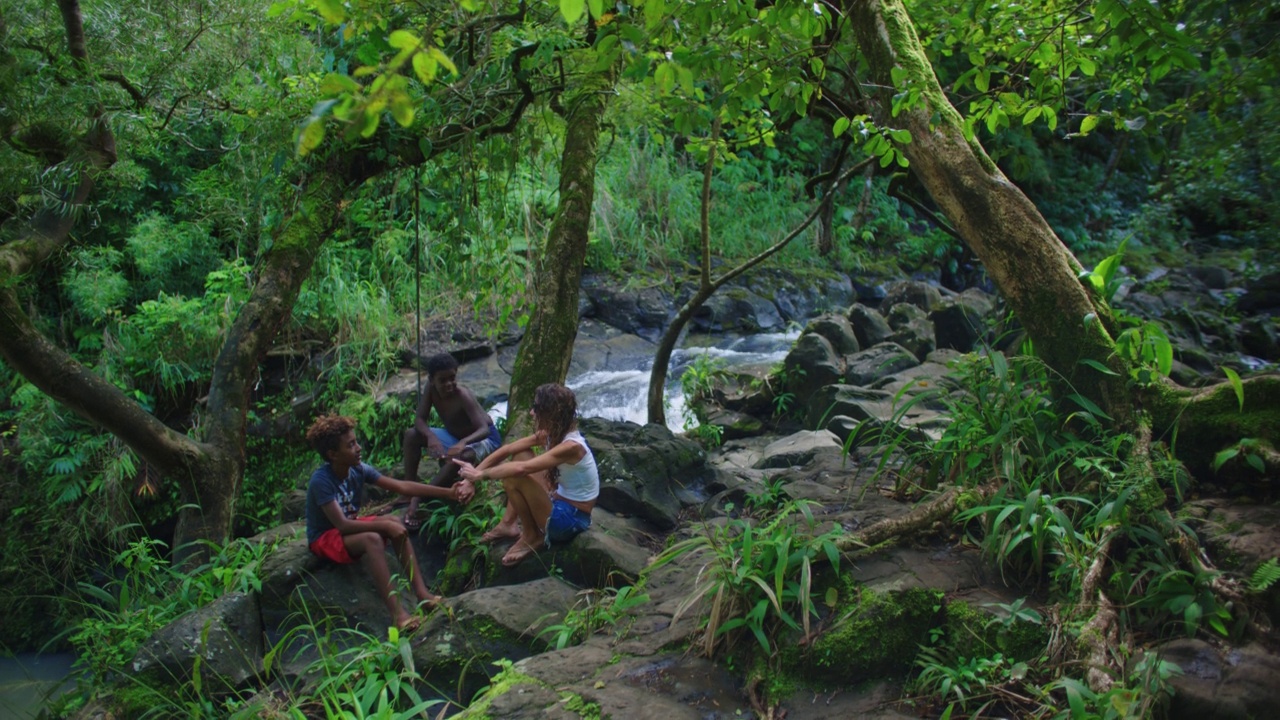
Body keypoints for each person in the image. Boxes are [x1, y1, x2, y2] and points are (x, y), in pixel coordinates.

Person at [304, 414, 473, 631]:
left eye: (356, 442)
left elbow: (402, 487)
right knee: (373, 538)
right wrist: (382, 526)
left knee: (394, 522)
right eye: (351, 445)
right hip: (325, 537)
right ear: (333, 454)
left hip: (347, 527)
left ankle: (422, 594)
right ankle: (399, 615)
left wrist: (448, 493)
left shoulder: (357, 469)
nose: (358, 448)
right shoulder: (321, 481)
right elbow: (342, 526)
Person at [452, 383, 598, 567]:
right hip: (560, 500)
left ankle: (533, 535)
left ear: (551, 412)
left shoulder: (571, 446)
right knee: (520, 454)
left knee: (514, 474)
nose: (531, 413)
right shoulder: (551, 434)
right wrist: (470, 478)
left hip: (571, 520)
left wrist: (479, 476)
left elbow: (522, 469)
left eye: (536, 408)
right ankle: (508, 524)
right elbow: (508, 449)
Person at [400, 353, 502, 529]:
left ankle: (420, 497)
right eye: (443, 380)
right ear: (432, 380)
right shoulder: (430, 390)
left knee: (463, 455)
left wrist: (462, 443)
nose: (449, 384)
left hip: (483, 440)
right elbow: (419, 420)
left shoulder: (462, 395)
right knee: (411, 435)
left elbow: (484, 429)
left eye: (452, 378)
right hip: (455, 436)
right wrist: (431, 438)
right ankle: (409, 490)